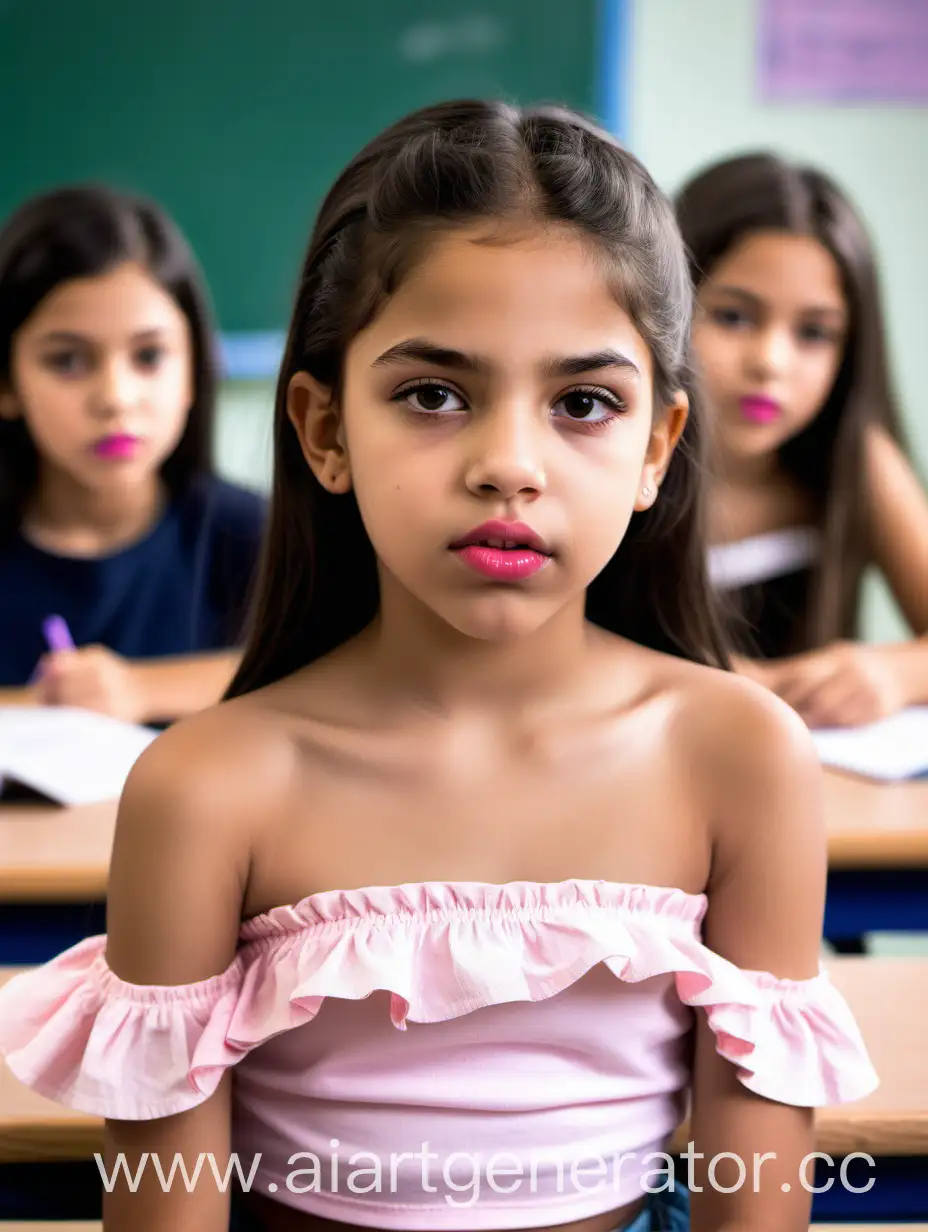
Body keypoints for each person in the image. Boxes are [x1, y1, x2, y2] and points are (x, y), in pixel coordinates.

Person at [0, 103, 876, 1232]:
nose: (507, 463)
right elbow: (166, 1206)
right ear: (323, 430)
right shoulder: (205, 787)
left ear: (657, 445)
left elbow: (751, 1205)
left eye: (583, 403)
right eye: (433, 394)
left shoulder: (739, 754)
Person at [677, 152, 928, 730]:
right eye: (735, 317)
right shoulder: (610, 456)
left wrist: (893, 674)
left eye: (814, 333)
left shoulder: (856, 460)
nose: (771, 362)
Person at [0, 185, 265, 723]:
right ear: (6, 383)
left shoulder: (255, 536)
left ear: (194, 369)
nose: (116, 398)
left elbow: (337, 674)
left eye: (149, 356)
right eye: (68, 361)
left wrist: (138, 690)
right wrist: (44, 704)